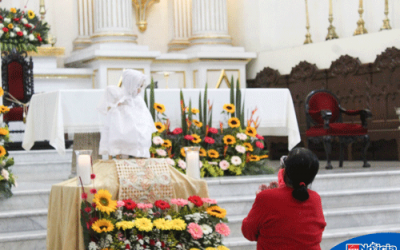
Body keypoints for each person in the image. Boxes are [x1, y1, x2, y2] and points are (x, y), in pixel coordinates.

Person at [242, 147, 326, 250]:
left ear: (284, 172)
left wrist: (262, 200)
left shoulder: (266, 197)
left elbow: (248, 232)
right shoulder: (315, 198)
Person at [98, 69, 157, 158]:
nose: (140, 90)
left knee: (140, 134)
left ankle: (138, 156)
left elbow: (144, 112)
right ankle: (121, 156)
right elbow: (113, 105)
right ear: (130, 85)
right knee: (122, 137)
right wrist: (119, 104)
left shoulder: (138, 99)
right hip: (123, 123)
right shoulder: (121, 96)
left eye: (141, 87)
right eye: (138, 87)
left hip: (138, 122)